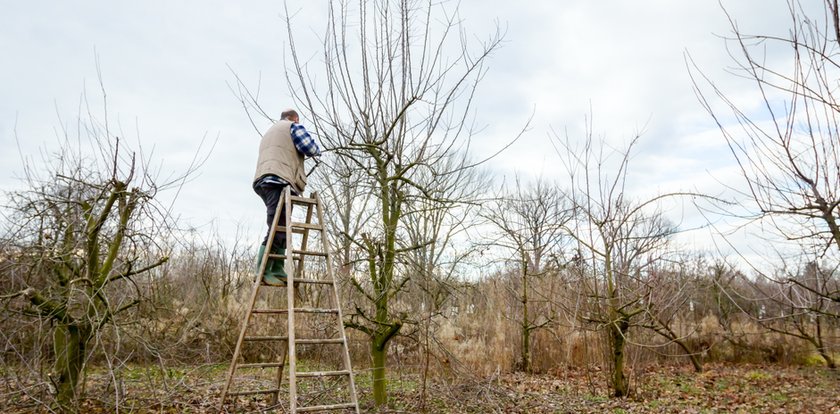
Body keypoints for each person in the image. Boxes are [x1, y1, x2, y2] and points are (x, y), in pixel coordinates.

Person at [252, 109, 320, 285]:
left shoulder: (270, 132)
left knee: (281, 224)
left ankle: (277, 267)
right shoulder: (293, 127)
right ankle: (263, 270)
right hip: (279, 180)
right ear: (295, 118)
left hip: (264, 180)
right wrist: (316, 151)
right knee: (277, 225)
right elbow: (310, 148)